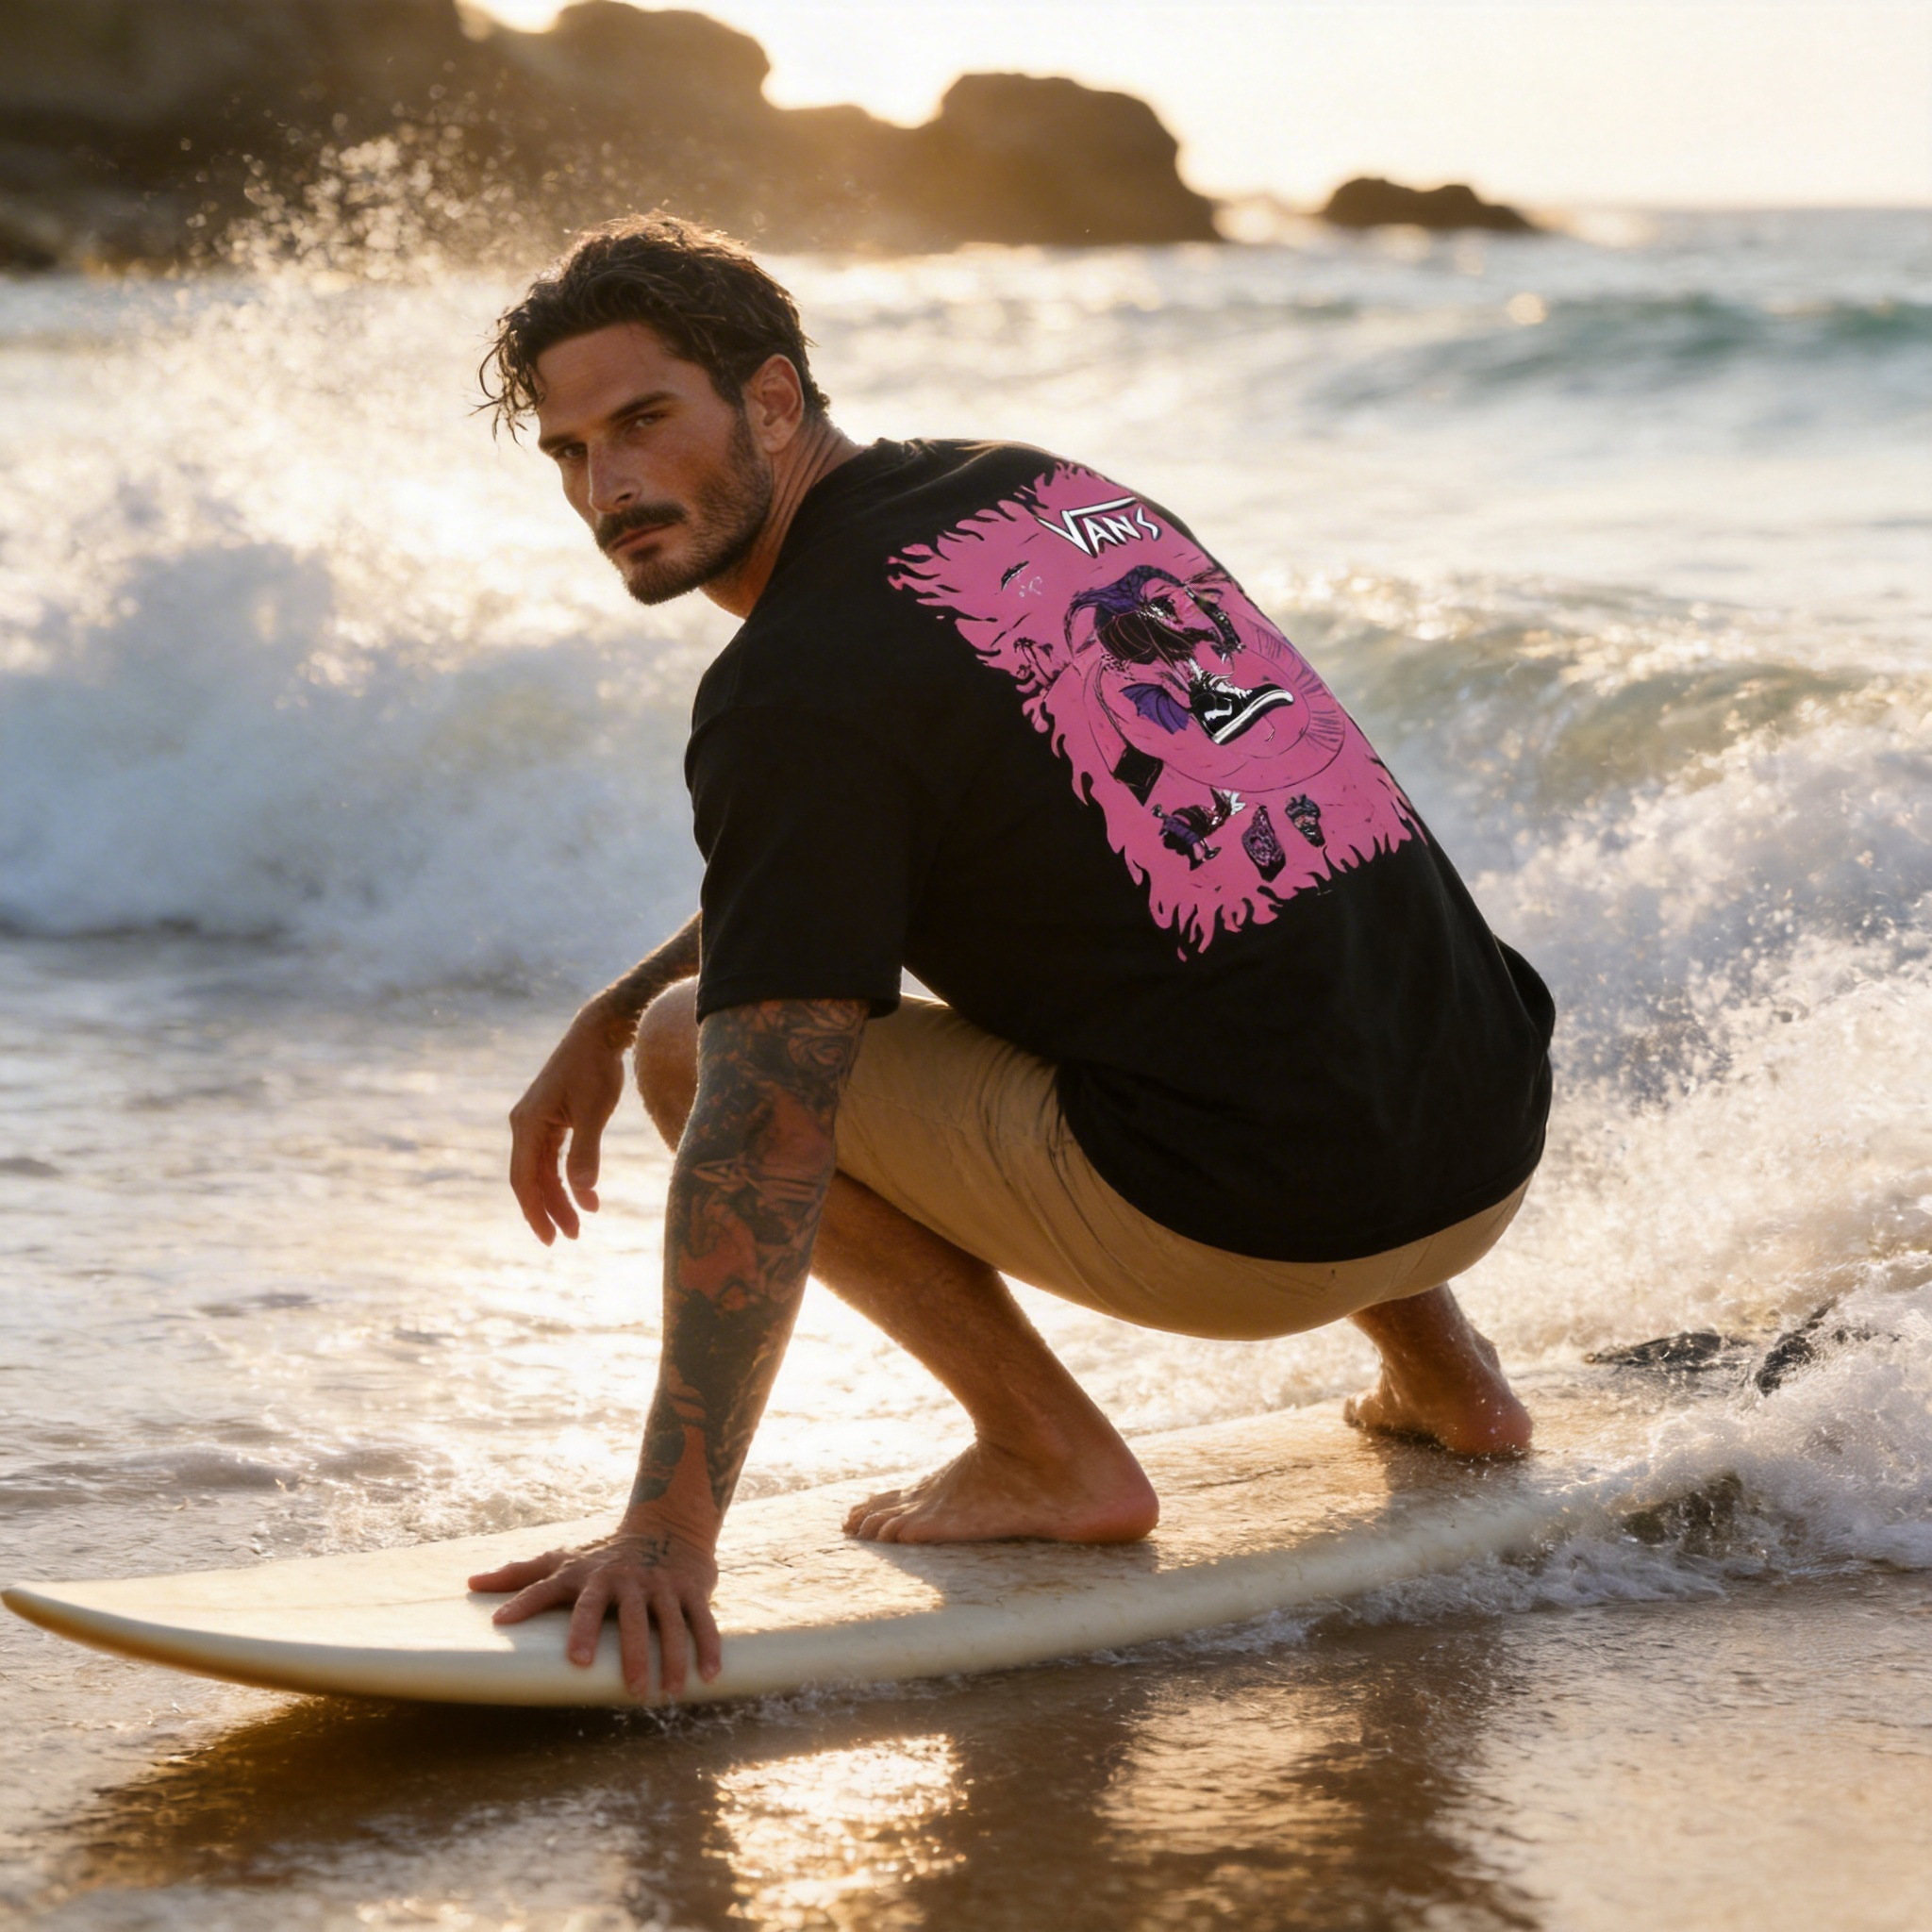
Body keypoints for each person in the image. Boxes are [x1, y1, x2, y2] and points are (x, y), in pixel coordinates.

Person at [470, 214, 1557, 1702]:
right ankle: (1451, 1378)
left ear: (772, 400)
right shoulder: (1047, 497)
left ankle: (1046, 1450)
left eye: (646, 421)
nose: (610, 488)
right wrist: (602, 1006)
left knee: (695, 1047)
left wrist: (667, 1533)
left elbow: (762, 1125)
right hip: (1485, 1140)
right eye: (572, 451)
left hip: (1259, 1228)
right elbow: (867, 850)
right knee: (1221, 892)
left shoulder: (791, 681)